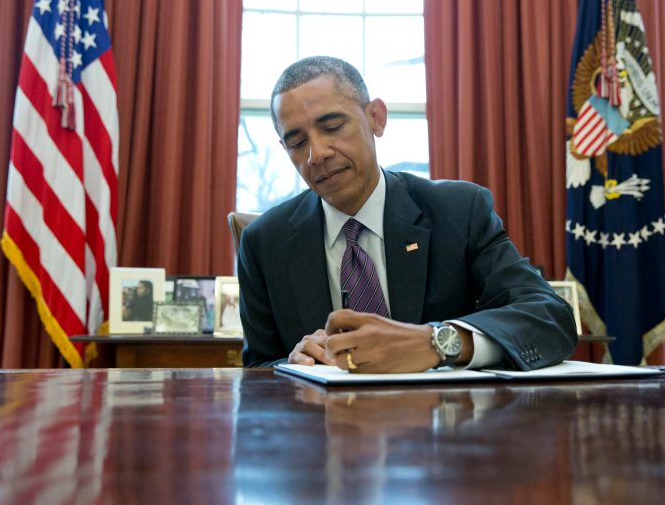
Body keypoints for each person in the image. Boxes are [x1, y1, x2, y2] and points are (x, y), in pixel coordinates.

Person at [237, 55, 577, 372]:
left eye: (331, 127)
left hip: (443, 428)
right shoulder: (265, 243)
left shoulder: (459, 211)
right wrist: (291, 366)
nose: (316, 154)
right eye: (297, 143)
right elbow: (258, 369)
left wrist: (439, 342)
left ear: (376, 118)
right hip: (325, 429)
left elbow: (549, 318)